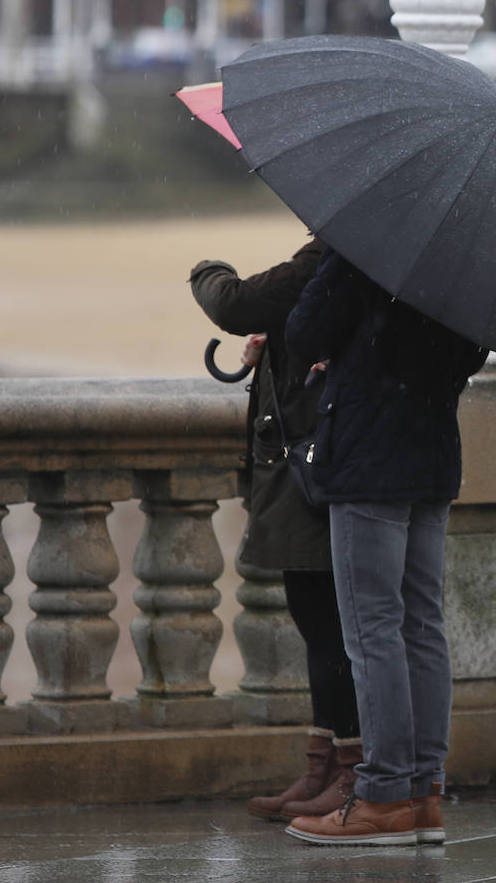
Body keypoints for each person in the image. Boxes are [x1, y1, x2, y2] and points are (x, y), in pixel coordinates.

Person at [280, 247, 488, 847]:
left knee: (373, 627)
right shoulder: (464, 261)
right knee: (422, 624)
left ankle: (383, 795)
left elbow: (304, 330)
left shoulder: (370, 245)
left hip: (370, 458)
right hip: (431, 455)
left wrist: (339, 263)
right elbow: (466, 355)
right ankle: (423, 796)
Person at [189, 240, 364, 823]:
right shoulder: (350, 252)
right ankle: (325, 766)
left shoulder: (335, 252)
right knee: (318, 624)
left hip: (314, 470)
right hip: (311, 466)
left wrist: (206, 269)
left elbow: (235, 303)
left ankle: (348, 772)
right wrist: (285, 337)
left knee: (328, 627)